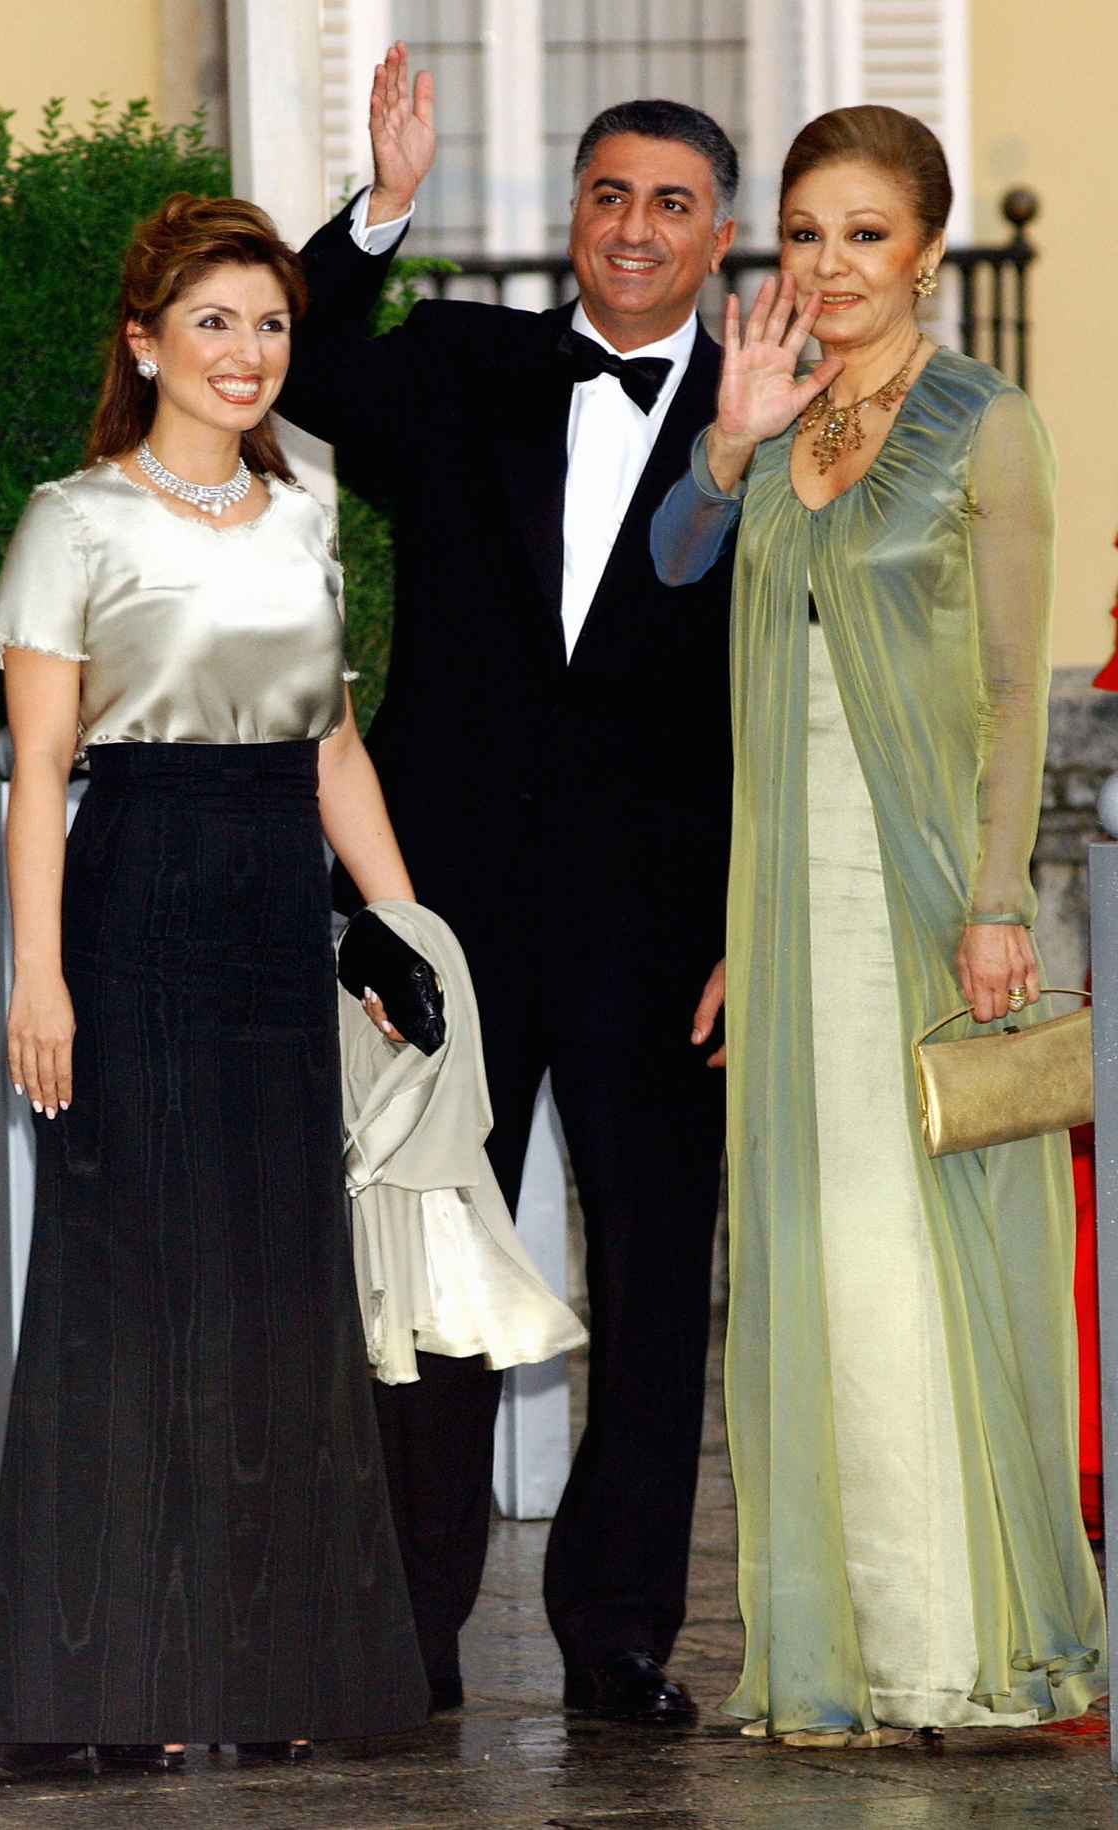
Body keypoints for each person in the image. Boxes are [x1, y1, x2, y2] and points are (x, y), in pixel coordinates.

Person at [275, 47, 738, 1720]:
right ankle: (410, 1625)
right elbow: (296, 362)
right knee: (432, 1251)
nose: (632, 227)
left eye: (669, 203)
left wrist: (749, 923)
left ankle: (619, 1630)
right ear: (570, 215)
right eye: (608, 194)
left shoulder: (779, 418)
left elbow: (804, 691)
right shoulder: (465, 364)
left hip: (666, 921)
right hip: (448, 894)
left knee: (656, 1266)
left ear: (720, 236)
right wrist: (380, 210)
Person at [0, 191, 431, 1776]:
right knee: (129, 1296)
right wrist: (44, 980)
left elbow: (332, 741)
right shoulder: (71, 519)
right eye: (214, 321)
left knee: (285, 1292)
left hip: (275, 917)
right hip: (132, 901)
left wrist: (406, 930)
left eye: (273, 322)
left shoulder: (303, 515)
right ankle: (103, 1687)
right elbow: (35, 775)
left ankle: (277, 1672)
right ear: (144, 341)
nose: (249, 352)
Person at [652, 104, 1106, 1744]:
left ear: (927, 246)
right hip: (787, 909)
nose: (830, 265)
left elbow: (1008, 691)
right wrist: (726, 440)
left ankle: (954, 1646)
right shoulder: (771, 416)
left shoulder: (989, 424)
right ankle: (838, 1651)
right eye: (804, 231)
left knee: (919, 1261)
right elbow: (678, 572)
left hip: (929, 893)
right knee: (809, 1268)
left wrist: (998, 902)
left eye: (864, 233)